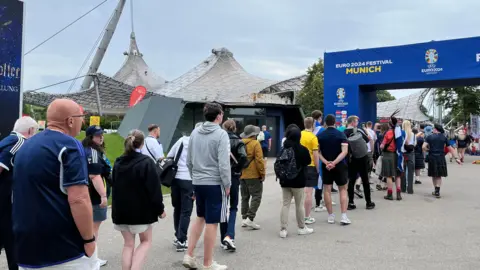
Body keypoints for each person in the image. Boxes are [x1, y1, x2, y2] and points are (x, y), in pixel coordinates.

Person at [13, 99, 99, 269]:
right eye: (81, 117)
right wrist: (89, 239)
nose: (83, 121)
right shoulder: (69, 145)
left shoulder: (25, 147)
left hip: (26, 247)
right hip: (64, 249)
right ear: (70, 120)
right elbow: (79, 199)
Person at [183, 103, 231, 270]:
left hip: (198, 181)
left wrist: (194, 178)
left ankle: (189, 255)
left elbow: (188, 160)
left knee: (200, 217)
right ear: (218, 116)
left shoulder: (195, 132)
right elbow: (224, 163)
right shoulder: (221, 134)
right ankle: (208, 263)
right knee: (212, 221)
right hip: (214, 182)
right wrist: (227, 184)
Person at [112, 129, 166, 270]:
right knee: (146, 241)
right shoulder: (147, 162)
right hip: (141, 213)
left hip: (121, 211)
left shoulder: (118, 162)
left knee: (128, 244)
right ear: (142, 144)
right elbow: (154, 190)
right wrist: (160, 210)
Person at [0, 116, 38, 270]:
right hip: (9, 204)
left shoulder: (6, 140)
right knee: (13, 243)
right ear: (30, 131)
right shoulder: (19, 142)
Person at [169, 124, 200, 252]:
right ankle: (182, 240)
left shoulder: (182, 140)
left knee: (177, 208)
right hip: (189, 179)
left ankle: (178, 235)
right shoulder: (199, 144)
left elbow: (170, 155)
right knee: (186, 211)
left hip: (176, 178)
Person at [278, 124, 314, 238]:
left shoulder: (284, 148)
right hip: (298, 181)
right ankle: (301, 227)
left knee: (285, 204)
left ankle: (283, 229)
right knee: (299, 205)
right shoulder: (302, 149)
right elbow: (308, 162)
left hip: (285, 181)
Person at [82, 125, 110, 267]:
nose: (101, 137)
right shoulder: (92, 152)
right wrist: (103, 196)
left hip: (87, 195)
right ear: (90, 137)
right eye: (98, 135)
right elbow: (94, 175)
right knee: (93, 230)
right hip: (94, 196)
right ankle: (92, 259)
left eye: (102, 134)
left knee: (89, 229)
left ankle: (89, 258)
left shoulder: (87, 150)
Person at [318, 114, 351, 225]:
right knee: (342, 189)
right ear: (335, 122)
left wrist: (326, 162)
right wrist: (335, 162)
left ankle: (330, 216)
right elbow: (344, 151)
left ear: (326, 123)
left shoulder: (320, 136)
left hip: (326, 166)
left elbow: (317, 152)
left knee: (327, 189)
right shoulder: (341, 135)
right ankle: (343, 215)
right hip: (340, 165)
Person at [220, 120, 247, 251]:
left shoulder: (220, 141)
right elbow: (243, 157)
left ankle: (222, 238)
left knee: (223, 207)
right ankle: (229, 235)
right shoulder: (239, 141)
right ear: (235, 128)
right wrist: (238, 168)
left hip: (220, 176)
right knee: (233, 207)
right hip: (234, 176)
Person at [344, 116, 375, 210]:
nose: (357, 123)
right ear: (353, 122)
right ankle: (368, 202)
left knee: (351, 180)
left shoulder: (344, 133)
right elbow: (367, 139)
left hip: (351, 159)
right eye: (356, 121)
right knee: (365, 180)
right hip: (362, 158)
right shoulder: (359, 130)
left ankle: (351, 203)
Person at [423, 124, 460, 198]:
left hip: (432, 157)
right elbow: (450, 148)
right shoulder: (444, 137)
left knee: (433, 174)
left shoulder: (429, 137)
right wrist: (456, 158)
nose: (432, 130)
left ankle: (435, 189)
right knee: (439, 175)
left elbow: (423, 146)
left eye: (433, 128)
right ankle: (438, 191)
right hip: (441, 157)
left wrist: (428, 150)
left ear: (436, 129)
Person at [240, 125, 266, 230]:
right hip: (254, 174)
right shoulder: (255, 144)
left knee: (244, 197)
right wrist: (262, 174)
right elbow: (259, 160)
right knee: (256, 196)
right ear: (254, 134)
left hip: (242, 174)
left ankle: (244, 218)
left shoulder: (240, 142)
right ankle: (250, 219)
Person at [300, 117, 320, 224]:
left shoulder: (299, 135)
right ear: (313, 125)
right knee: (309, 192)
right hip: (310, 166)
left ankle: (300, 215)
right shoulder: (313, 138)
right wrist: (317, 168)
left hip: (299, 166)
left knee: (300, 192)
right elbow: (316, 155)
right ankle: (306, 217)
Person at [381, 112, 402, 201]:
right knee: (397, 175)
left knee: (389, 175)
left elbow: (382, 146)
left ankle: (390, 194)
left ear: (390, 124)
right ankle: (398, 194)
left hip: (388, 155)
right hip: (398, 155)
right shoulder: (401, 132)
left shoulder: (388, 133)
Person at [401, 120, 416, 194]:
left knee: (402, 171)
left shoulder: (401, 133)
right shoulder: (412, 134)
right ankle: (410, 189)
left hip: (403, 153)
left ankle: (402, 188)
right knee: (410, 172)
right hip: (410, 153)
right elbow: (414, 144)